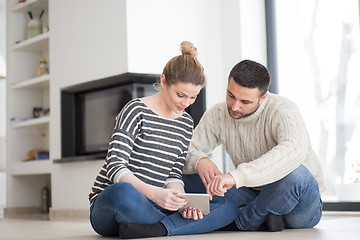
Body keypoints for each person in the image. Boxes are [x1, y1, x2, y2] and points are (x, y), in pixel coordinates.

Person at [88, 41, 238, 238]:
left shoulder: (185, 122)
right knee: (121, 192)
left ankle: (156, 228)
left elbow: (174, 174)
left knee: (229, 205)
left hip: (155, 204)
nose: (186, 103)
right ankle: (175, 225)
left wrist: (181, 201)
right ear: (164, 81)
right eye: (180, 95)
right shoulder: (135, 110)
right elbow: (115, 165)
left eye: (193, 97)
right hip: (115, 203)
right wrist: (157, 195)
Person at [182, 59, 325, 232]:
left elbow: (293, 150)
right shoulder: (218, 113)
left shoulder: (283, 109)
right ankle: (264, 216)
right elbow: (184, 150)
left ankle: (243, 221)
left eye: (245, 102)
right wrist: (199, 160)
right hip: (251, 192)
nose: (235, 107)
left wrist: (235, 177)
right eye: (231, 95)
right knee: (185, 176)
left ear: (263, 97)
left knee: (298, 175)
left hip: (296, 202)